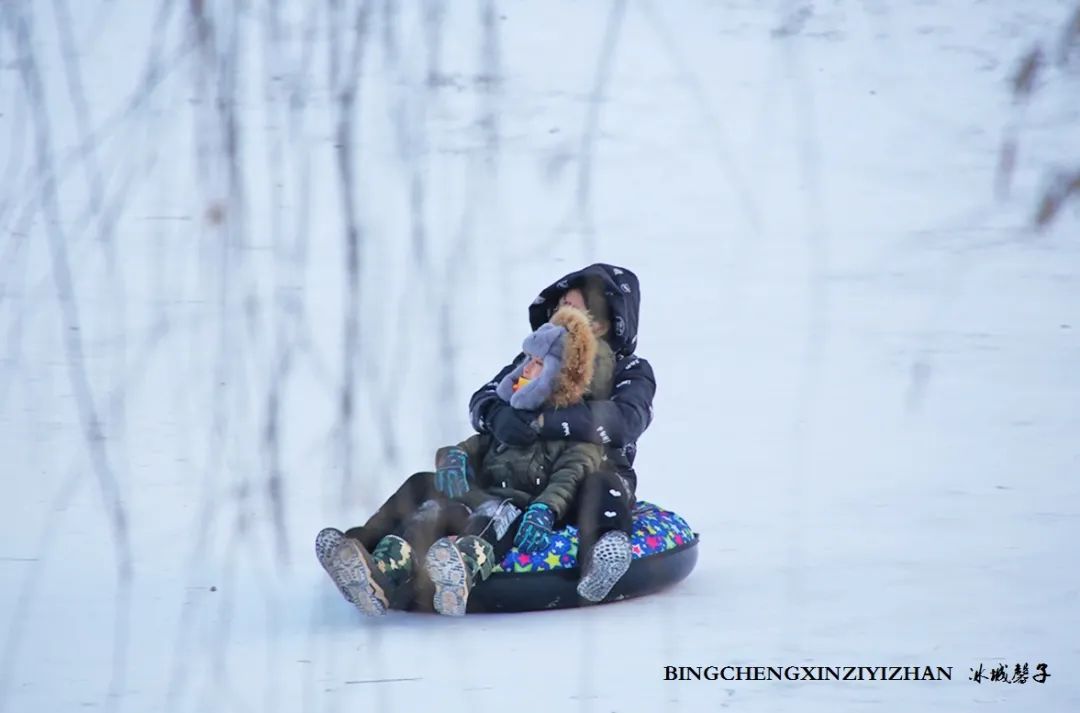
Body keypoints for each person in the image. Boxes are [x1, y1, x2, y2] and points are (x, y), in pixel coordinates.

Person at [318, 305, 615, 615]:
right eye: (528, 360)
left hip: (515, 510)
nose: (526, 369)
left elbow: (570, 477)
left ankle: (460, 572)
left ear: (560, 375)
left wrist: (544, 509)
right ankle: (377, 574)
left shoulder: (574, 436)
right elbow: (474, 445)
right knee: (428, 509)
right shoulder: (511, 420)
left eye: (538, 363)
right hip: (474, 499)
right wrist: (453, 457)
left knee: (493, 516)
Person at [467, 263, 656, 601]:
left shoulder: (631, 369)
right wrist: (498, 418)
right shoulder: (536, 357)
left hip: (594, 474)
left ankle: (603, 554)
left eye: (570, 309)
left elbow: (626, 419)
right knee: (466, 490)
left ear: (598, 323)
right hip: (529, 480)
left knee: (600, 484)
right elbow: (484, 397)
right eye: (557, 308)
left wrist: (547, 423)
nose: (558, 315)